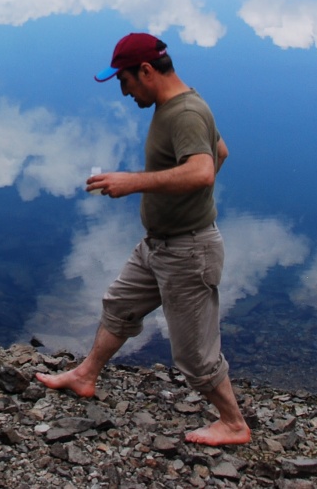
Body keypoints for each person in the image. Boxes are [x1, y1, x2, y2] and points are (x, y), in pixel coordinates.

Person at [37, 32, 250, 446]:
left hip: (188, 251)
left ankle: (234, 424)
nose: (124, 91)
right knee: (119, 307)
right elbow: (220, 151)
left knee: (193, 353)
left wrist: (134, 182)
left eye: (125, 81)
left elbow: (204, 170)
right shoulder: (181, 103)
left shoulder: (184, 113)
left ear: (147, 71)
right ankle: (85, 375)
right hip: (158, 244)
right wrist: (184, 200)